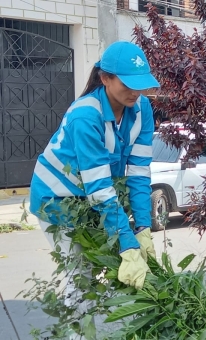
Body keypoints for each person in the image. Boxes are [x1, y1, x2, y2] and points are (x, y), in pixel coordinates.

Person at [29, 41, 159, 330]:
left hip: (91, 197)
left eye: (141, 84)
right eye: (128, 84)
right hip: (58, 202)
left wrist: (143, 227)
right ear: (105, 78)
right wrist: (127, 244)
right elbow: (99, 187)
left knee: (113, 267)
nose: (135, 92)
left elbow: (139, 173)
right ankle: (76, 335)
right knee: (81, 274)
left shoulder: (142, 109)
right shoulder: (85, 116)